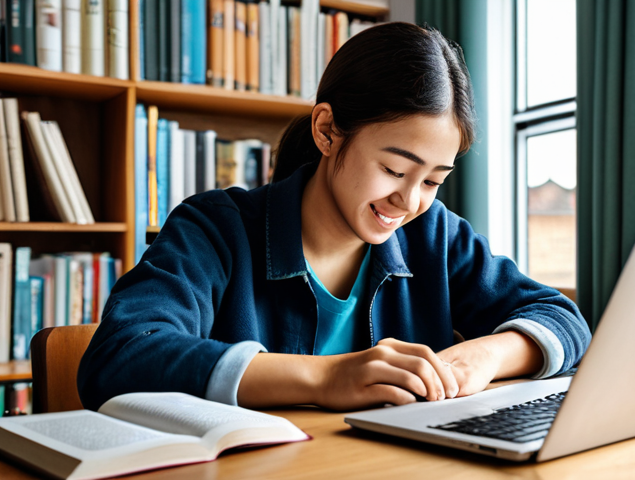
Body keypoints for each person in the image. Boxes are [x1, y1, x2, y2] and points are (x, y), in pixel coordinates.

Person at [78, 22, 591, 412]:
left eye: (433, 180)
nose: (409, 202)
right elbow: (120, 355)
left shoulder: (433, 235)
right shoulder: (216, 228)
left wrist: (483, 357)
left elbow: (564, 320)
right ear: (327, 131)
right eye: (394, 169)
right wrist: (325, 378)